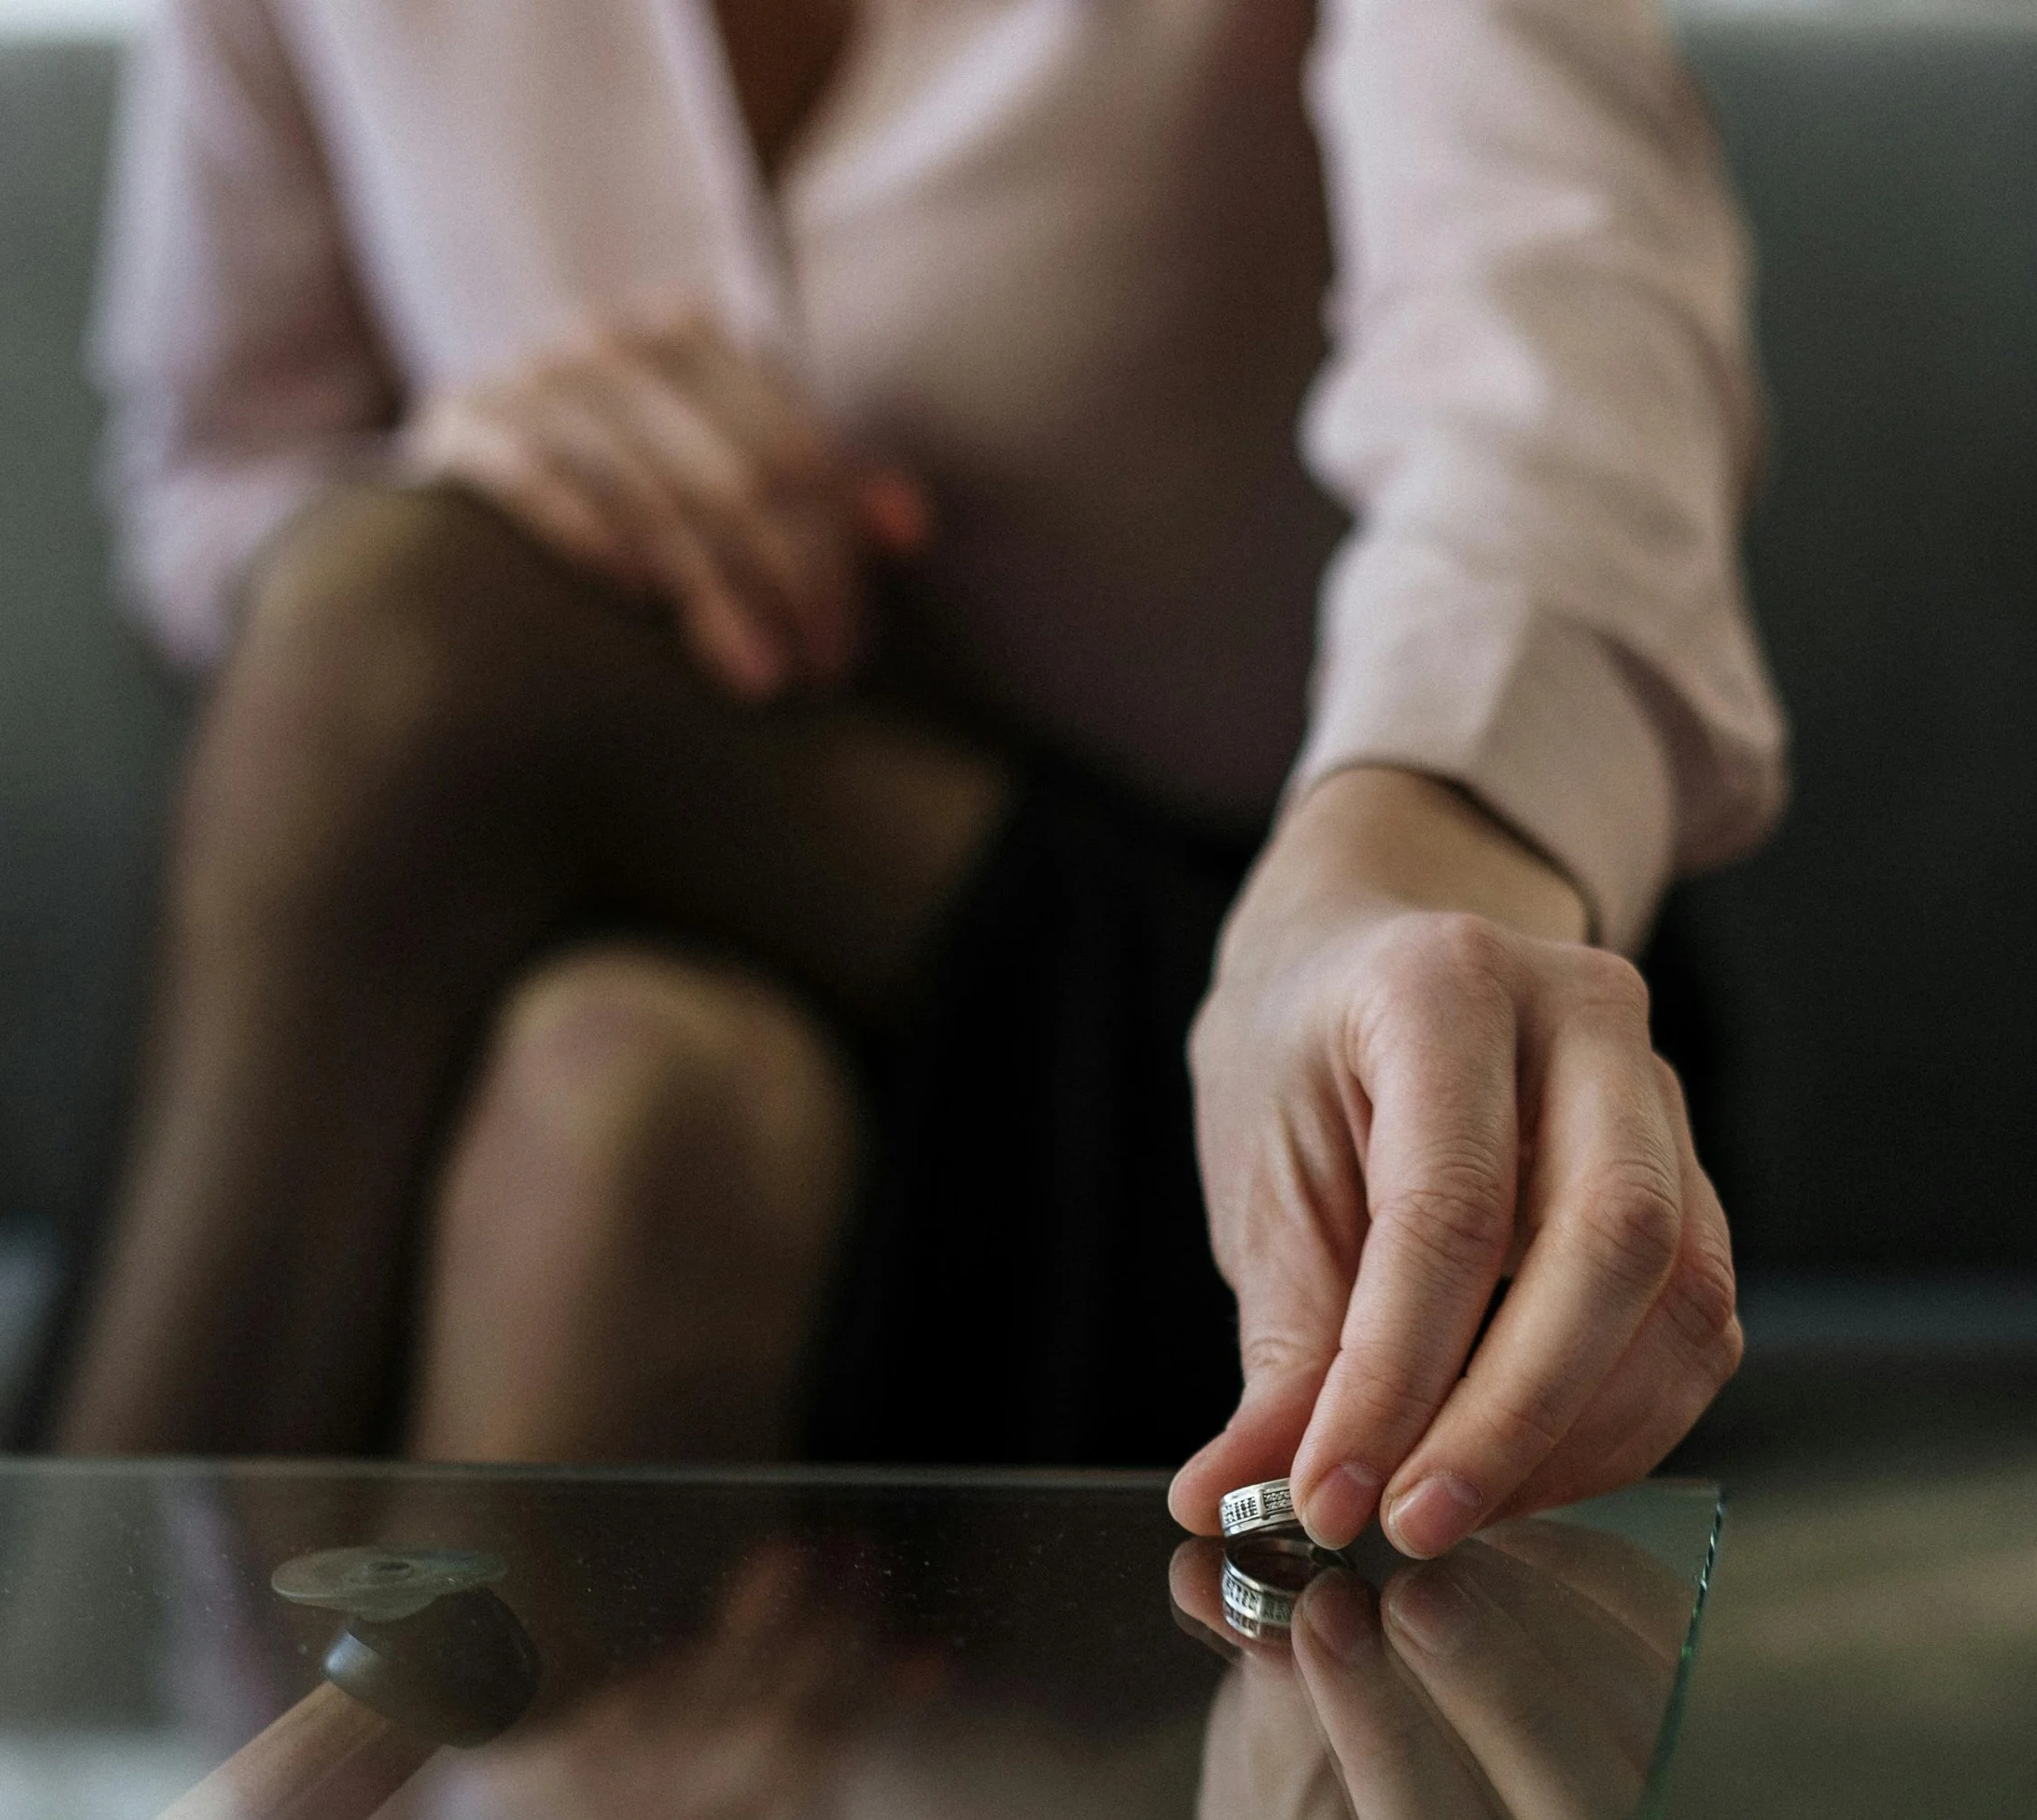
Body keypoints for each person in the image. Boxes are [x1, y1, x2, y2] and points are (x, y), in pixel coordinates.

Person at [54, 0, 1786, 1549]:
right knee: (623, 1101)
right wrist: (503, 479)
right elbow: (211, 472)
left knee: (401, 631)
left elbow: (1561, 350)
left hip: (1235, 1041)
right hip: (626, 952)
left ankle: (67, 1699)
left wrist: (1413, 849)